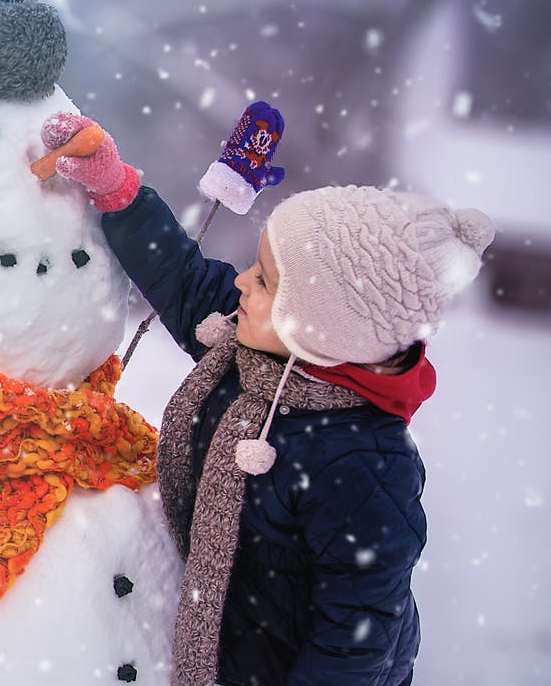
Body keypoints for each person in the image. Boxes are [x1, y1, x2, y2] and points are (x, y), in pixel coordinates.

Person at [43, 104, 495, 686]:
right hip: (227, 643)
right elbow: (180, 279)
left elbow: (357, 638)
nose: (240, 283)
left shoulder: (363, 465)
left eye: (263, 281)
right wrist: (118, 189)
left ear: (322, 328)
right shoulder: (253, 343)